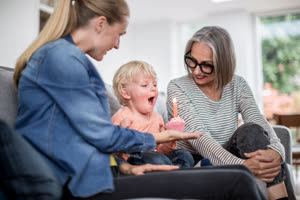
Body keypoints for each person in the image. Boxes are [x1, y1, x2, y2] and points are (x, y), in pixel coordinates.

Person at [12, 0, 266, 199]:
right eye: (119, 34)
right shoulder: (62, 59)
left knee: (236, 173)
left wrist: (125, 168)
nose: (118, 44)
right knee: (239, 179)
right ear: (100, 24)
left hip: (97, 175)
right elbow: (101, 135)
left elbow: (82, 137)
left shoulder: (66, 59)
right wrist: (158, 137)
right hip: (78, 185)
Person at [167, 26, 292, 200]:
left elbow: (257, 119)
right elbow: (201, 139)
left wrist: (277, 152)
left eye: (206, 65)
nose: (196, 71)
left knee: (251, 130)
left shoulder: (237, 84)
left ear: (223, 63)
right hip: (198, 158)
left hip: (230, 152)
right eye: (192, 61)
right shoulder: (177, 87)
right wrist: (243, 165)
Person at [111, 60, 194, 168]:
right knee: (157, 159)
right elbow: (112, 153)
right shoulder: (121, 117)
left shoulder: (157, 118)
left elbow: (162, 151)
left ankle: (176, 174)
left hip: (159, 158)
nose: (153, 88)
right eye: (145, 85)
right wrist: (121, 131)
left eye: (155, 84)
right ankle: (173, 173)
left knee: (184, 154)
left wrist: (170, 138)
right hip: (134, 160)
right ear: (125, 92)